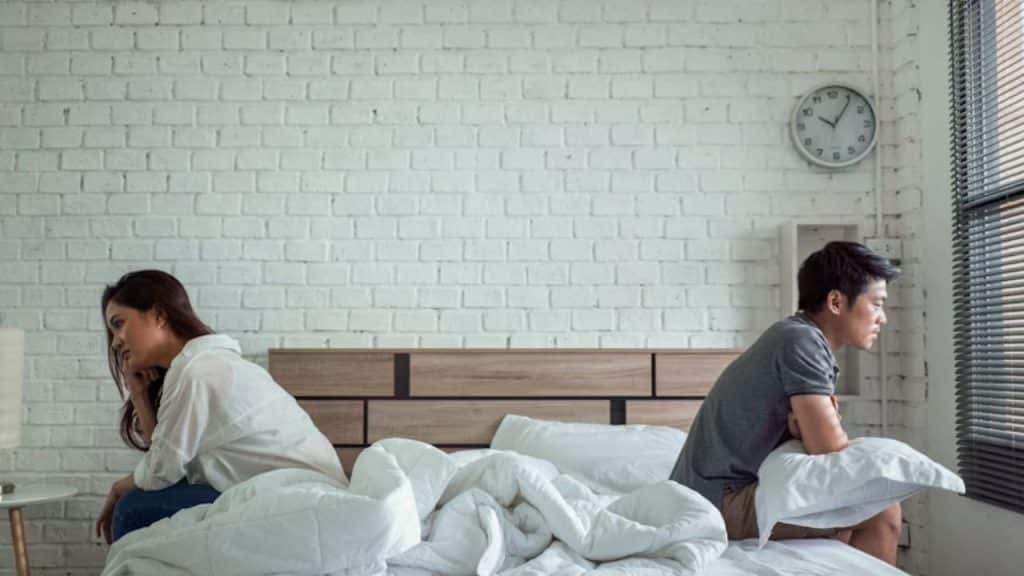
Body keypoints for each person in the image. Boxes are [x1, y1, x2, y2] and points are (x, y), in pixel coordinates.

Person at [669, 241, 903, 565]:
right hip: (715, 502)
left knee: (848, 513)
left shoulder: (796, 337)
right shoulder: (801, 342)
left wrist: (805, 432)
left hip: (710, 493)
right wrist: (812, 434)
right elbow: (829, 450)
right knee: (880, 509)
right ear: (836, 301)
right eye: (876, 304)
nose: (883, 318)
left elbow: (819, 446)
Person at [95, 270, 344, 544]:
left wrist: (119, 488)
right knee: (138, 501)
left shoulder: (197, 371)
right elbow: (168, 460)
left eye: (119, 324)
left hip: (300, 499)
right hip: (296, 490)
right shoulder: (203, 364)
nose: (116, 341)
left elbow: (160, 472)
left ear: (159, 315)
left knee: (131, 509)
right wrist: (140, 396)